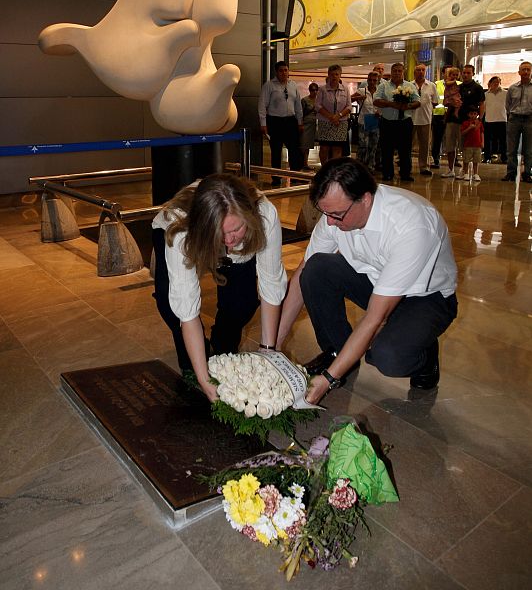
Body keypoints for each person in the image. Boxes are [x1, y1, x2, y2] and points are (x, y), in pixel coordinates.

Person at [275, 158, 458, 403]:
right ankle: (337, 351)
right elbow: (302, 275)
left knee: (387, 356)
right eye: (325, 213)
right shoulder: (337, 213)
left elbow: (376, 317)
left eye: (337, 214)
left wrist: (328, 379)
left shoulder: (411, 225)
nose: (329, 222)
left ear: (365, 199)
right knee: (316, 268)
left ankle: (424, 355)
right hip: (376, 279)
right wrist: (273, 346)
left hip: (427, 298)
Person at [152, 174, 287, 400]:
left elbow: (271, 284)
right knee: (171, 306)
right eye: (220, 233)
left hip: (235, 242)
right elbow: (187, 310)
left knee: (242, 304)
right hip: (180, 231)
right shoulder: (180, 227)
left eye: (235, 229)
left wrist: (268, 352)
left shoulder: (265, 215)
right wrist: (204, 380)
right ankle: (193, 361)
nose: (229, 240)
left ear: (249, 217)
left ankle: (223, 350)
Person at [258, 61, 304, 186]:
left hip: (291, 121)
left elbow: (298, 105)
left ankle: (295, 176)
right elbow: (262, 105)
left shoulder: (293, 85)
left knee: (294, 150)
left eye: (285, 70)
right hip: (275, 122)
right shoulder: (269, 85)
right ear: (276, 72)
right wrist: (263, 124)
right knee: (276, 151)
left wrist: (300, 121)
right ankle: (276, 178)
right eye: (281, 70)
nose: (284, 73)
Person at [374, 62, 420, 182]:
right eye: (395, 71)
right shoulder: (383, 86)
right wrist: (390, 104)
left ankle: (405, 174)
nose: (397, 73)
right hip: (387, 122)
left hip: (404, 122)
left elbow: (418, 101)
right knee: (387, 149)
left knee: (405, 149)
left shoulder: (410, 86)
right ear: (391, 72)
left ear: (403, 72)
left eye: (399, 71)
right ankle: (388, 173)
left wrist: (408, 106)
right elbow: (376, 100)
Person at [501, 61, 532, 183]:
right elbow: (507, 105)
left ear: (531, 72)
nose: (525, 72)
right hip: (514, 119)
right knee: (511, 148)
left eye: (528, 70)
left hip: (530, 120)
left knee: (529, 149)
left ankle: (527, 173)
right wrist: (511, 115)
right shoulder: (512, 88)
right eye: (523, 70)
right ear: (519, 72)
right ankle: (511, 173)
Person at [316, 64, 352, 165]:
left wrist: (338, 116)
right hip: (325, 122)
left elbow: (349, 106)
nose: (334, 76)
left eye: (336, 74)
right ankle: (325, 168)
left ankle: (334, 169)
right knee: (324, 148)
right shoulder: (322, 89)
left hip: (341, 123)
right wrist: (331, 117)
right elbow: (318, 106)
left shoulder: (345, 89)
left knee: (337, 148)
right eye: (332, 74)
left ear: (340, 75)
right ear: (328, 75)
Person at [411, 63, 438, 175]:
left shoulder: (431, 85)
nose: (421, 72)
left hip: (426, 119)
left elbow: (435, 102)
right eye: (418, 70)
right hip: (411, 118)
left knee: (425, 144)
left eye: (423, 70)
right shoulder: (409, 85)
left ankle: (424, 166)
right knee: (408, 143)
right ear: (414, 72)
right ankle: (406, 165)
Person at [351, 71, 380, 172]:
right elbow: (349, 99)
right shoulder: (362, 90)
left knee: (373, 145)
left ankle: (371, 166)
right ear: (367, 80)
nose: (372, 82)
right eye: (370, 80)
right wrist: (358, 98)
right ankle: (359, 165)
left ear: (377, 81)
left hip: (375, 121)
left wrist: (379, 112)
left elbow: (383, 104)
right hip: (363, 121)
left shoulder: (380, 92)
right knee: (363, 145)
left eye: (374, 80)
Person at [441, 66, 463, 178]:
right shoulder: (448, 84)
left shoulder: (460, 87)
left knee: (462, 145)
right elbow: (446, 101)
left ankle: (464, 170)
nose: (454, 77)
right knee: (450, 145)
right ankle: (450, 169)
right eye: (452, 75)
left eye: (456, 75)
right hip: (450, 120)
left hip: (460, 121)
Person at [483, 76, 507, 163]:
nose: (496, 83)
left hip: (502, 119)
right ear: (490, 83)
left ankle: (504, 158)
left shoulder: (505, 93)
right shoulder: (486, 94)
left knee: (503, 140)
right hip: (489, 119)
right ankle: (487, 157)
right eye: (494, 82)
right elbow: (483, 107)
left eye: (498, 82)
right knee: (488, 140)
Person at [459, 107, 483, 181]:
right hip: (468, 145)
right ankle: (466, 173)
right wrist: (469, 128)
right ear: (468, 114)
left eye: (475, 114)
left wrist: (482, 142)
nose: (473, 115)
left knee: (476, 160)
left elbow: (482, 133)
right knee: (466, 160)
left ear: (477, 114)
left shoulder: (479, 123)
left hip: (477, 145)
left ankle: (475, 174)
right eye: (471, 114)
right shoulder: (465, 123)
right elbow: (462, 133)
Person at [300, 82, 319, 169]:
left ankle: (305, 163)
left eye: (316, 90)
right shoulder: (305, 100)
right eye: (312, 90)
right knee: (304, 144)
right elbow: (301, 113)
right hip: (306, 123)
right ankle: (303, 163)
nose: (314, 92)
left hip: (315, 124)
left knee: (310, 144)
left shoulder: (319, 100)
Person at [430, 73, 446, 169]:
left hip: (452, 116)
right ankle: (435, 159)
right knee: (437, 139)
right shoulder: (437, 84)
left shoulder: (459, 84)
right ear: (444, 74)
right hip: (438, 115)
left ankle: (454, 160)